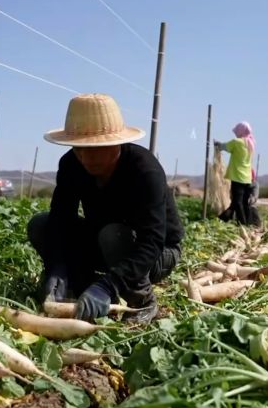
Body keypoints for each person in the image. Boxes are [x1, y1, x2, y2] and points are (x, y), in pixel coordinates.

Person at [27, 93, 184, 324]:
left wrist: (109, 285)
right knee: (41, 225)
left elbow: (152, 242)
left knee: (113, 235)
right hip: (103, 242)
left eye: (95, 149)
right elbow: (62, 219)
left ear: (115, 143)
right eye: (79, 148)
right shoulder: (71, 164)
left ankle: (141, 300)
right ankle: (82, 284)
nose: (85, 157)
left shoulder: (144, 170)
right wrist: (57, 265)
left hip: (156, 253)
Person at [214, 122, 262, 228]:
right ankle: (248, 223)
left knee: (237, 202)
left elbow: (224, 147)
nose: (235, 133)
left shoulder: (237, 142)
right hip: (247, 177)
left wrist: (217, 144)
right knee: (244, 202)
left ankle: (242, 224)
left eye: (236, 131)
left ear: (240, 131)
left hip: (237, 176)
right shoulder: (251, 142)